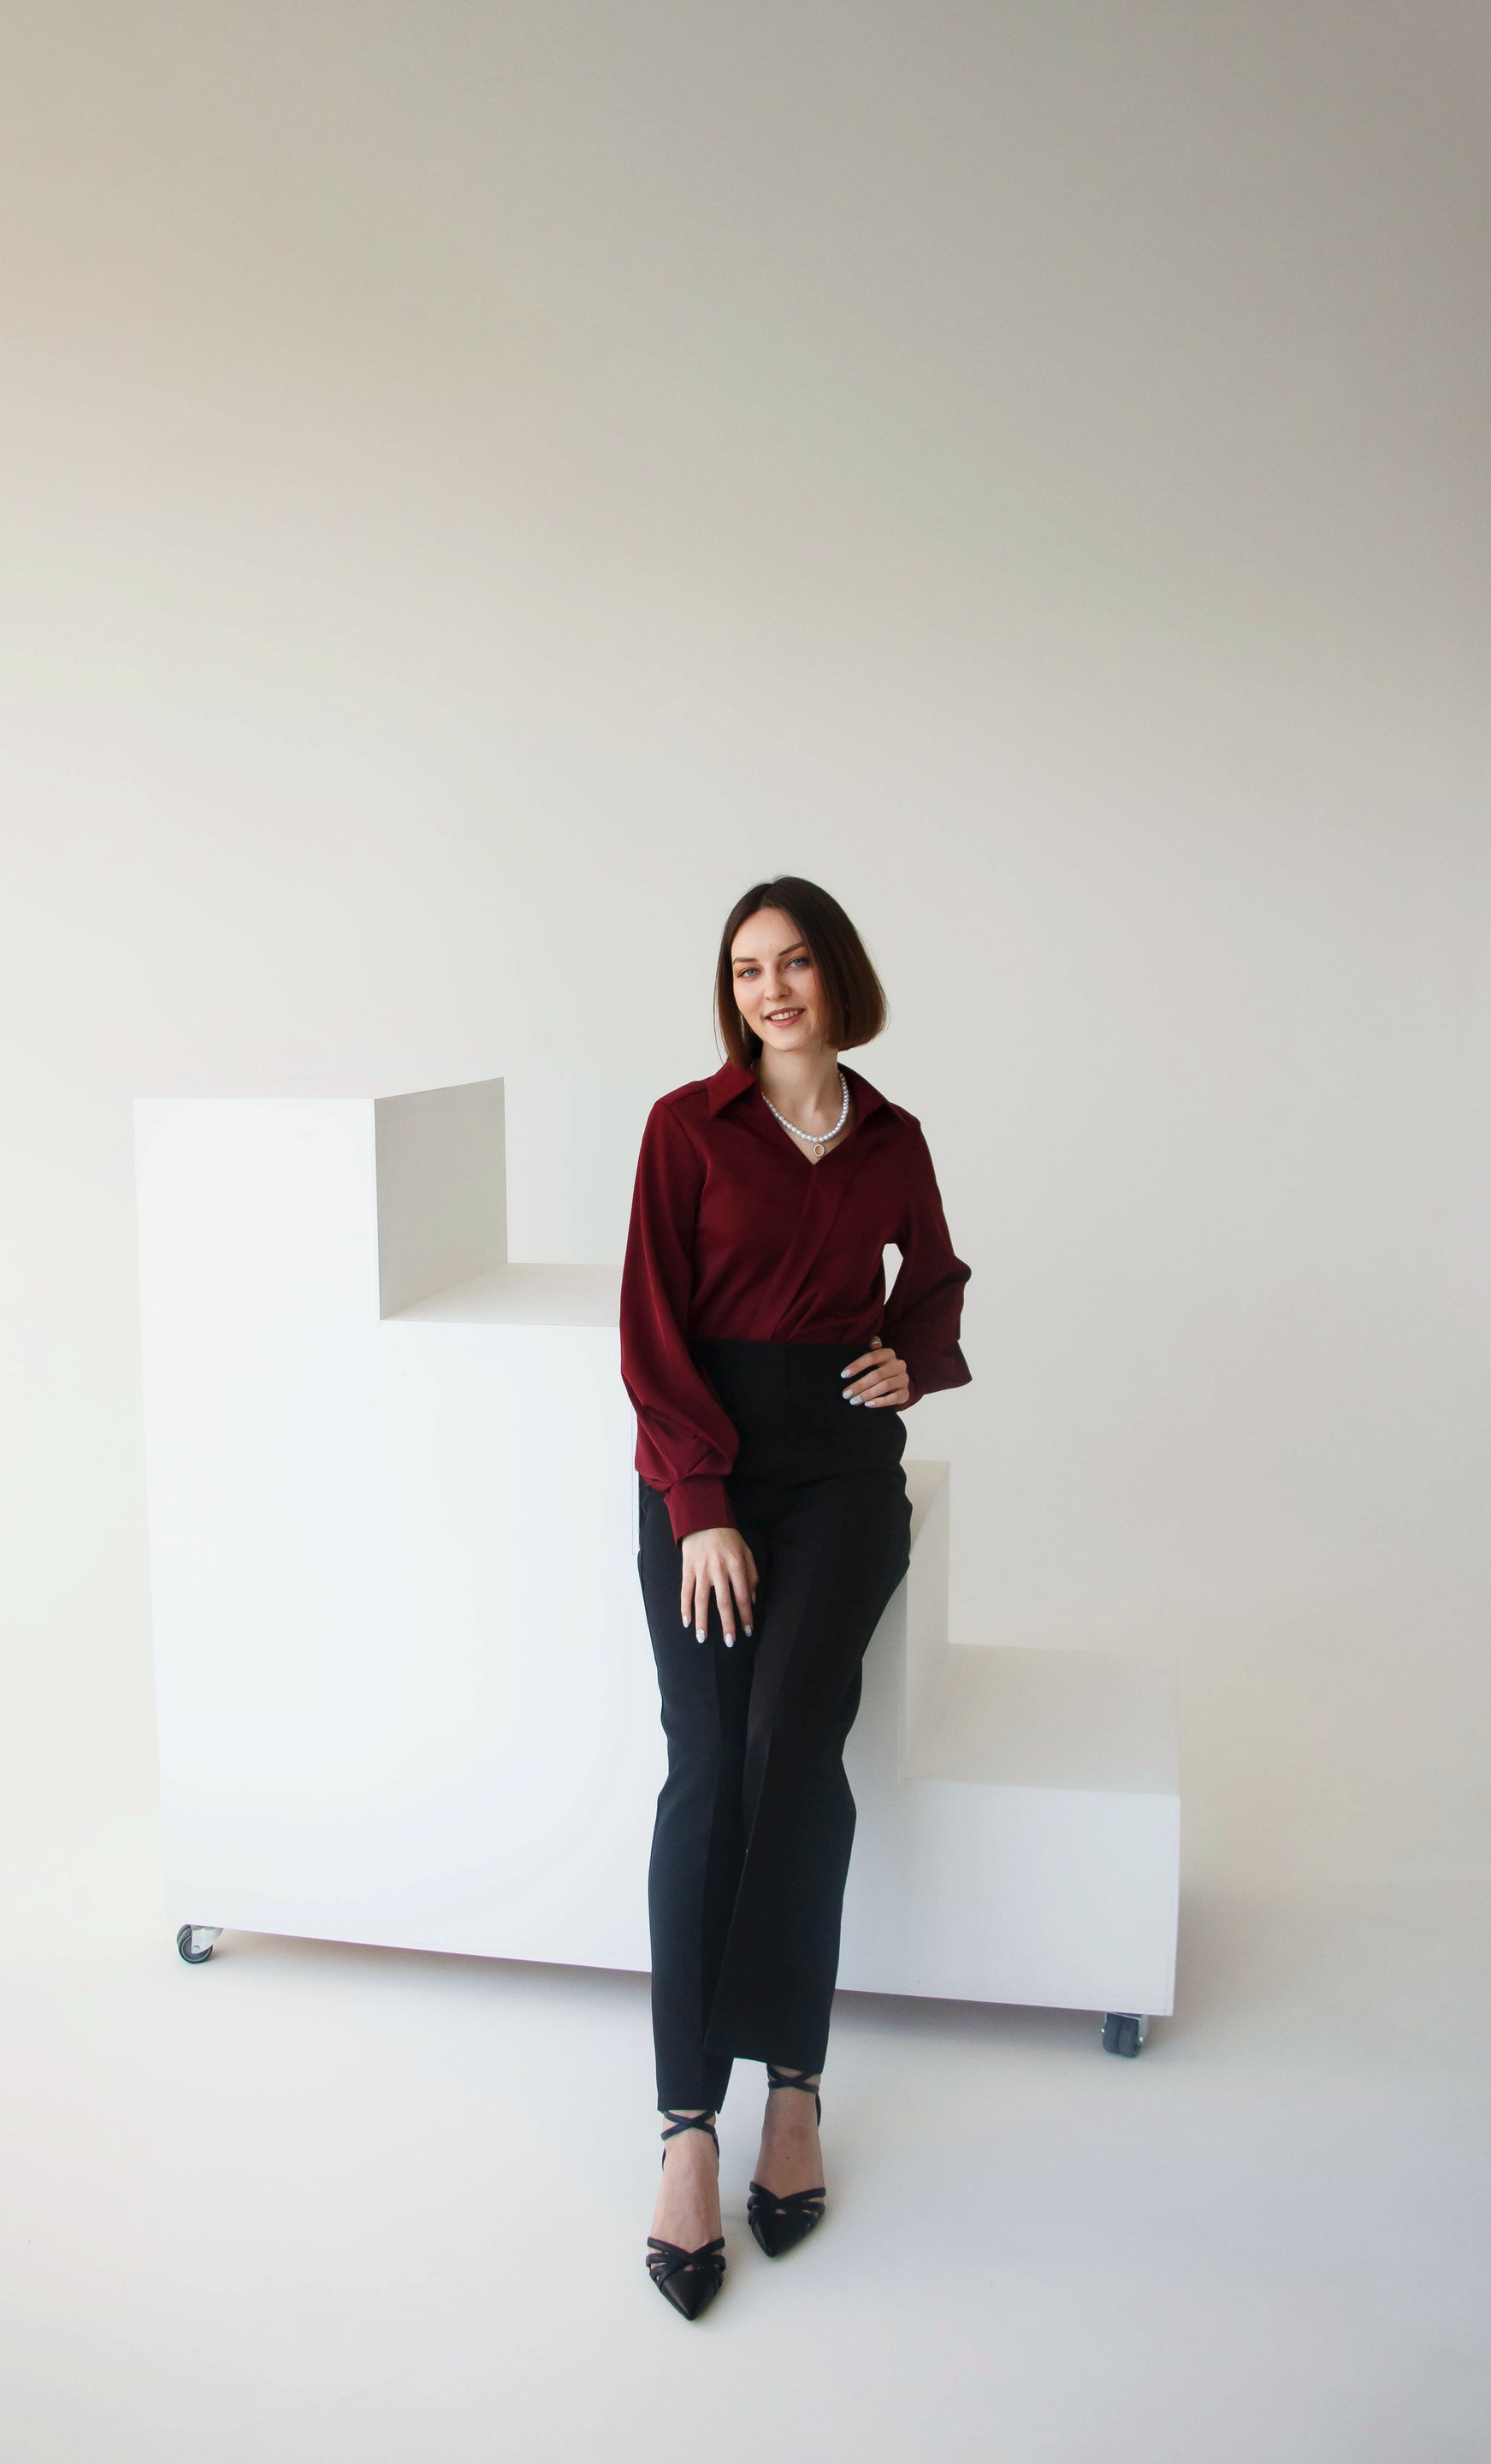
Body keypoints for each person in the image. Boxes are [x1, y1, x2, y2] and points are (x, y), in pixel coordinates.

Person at [621, 876, 972, 2319]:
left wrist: (913, 1362)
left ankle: (795, 2089)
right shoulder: (685, 1128)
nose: (771, 991)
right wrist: (699, 1504)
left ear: (838, 979)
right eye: (747, 970)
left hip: (838, 1478)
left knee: (790, 1746)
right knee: (708, 1765)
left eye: (796, 964)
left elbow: (935, 1282)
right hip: (705, 1470)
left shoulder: (893, 1137)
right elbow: (649, 1328)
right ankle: (685, 2126)